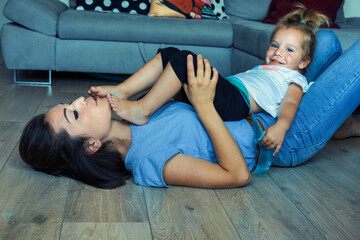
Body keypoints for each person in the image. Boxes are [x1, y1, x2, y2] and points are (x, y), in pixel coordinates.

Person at [19, 37, 360, 189]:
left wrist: (124, 91)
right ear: (91, 145)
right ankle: (330, 127)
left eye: (70, 104)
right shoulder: (149, 161)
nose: (78, 101)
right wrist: (202, 104)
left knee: (324, 40)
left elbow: (170, 65)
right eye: (73, 115)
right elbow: (237, 176)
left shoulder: (140, 115)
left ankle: (344, 125)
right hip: (283, 137)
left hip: (269, 105)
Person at [89, 6, 329, 155]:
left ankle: (143, 109)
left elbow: (289, 105)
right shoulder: (267, 68)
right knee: (171, 53)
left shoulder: (294, 78)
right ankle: (123, 90)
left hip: (236, 102)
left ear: (304, 62)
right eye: (275, 45)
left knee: (185, 60)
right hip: (227, 91)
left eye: (289, 50)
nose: (278, 53)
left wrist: (281, 127)